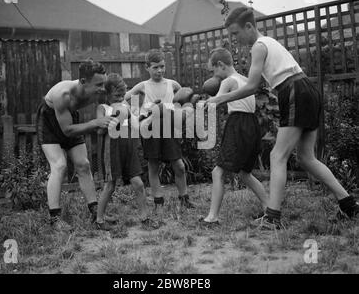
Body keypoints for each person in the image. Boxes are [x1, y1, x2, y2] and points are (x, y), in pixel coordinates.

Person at [206, 7, 359, 229]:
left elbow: (252, 86)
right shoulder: (269, 42)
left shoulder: (258, 46)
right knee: (307, 158)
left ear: (249, 26)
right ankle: (349, 205)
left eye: (236, 33)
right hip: (307, 89)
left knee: (277, 155)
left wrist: (220, 99)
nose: (234, 39)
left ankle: (272, 218)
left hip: (294, 90)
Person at [36, 60, 118, 231]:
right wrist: (95, 122)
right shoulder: (63, 94)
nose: (102, 88)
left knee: (83, 164)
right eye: (99, 84)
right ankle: (55, 219)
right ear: (82, 82)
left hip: (69, 116)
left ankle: (95, 212)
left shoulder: (96, 89)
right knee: (59, 165)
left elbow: (119, 96)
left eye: (103, 83)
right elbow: (67, 130)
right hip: (49, 120)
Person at [201, 48, 268, 226]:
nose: (214, 76)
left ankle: (212, 217)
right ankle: (270, 210)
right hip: (252, 125)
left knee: (218, 171)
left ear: (220, 65)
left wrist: (196, 102)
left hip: (237, 125)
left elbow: (215, 103)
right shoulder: (246, 80)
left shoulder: (229, 81)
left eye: (214, 71)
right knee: (246, 173)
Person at [124, 49, 195, 211]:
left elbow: (185, 99)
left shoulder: (172, 84)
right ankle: (158, 203)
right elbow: (123, 98)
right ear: (147, 68)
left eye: (162, 66)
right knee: (153, 165)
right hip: (150, 128)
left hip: (170, 128)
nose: (160, 70)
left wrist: (185, 111)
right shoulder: (143, 86)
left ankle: (184, 199)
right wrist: (137, 114)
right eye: (155, 67)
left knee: (179, 165)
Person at [95, 73, 160, 231]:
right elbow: (98, 131)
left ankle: (145, 217)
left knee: (138, 183)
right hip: (112, 151)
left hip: (129, 150)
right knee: (110, 186)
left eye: (122, 94)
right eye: (116, 94)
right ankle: (99, 219)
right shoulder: (103, 108)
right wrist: (114, 120)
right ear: (107, 94)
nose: (119, 97)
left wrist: (148, 113)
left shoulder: (126, 107)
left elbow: (137, 126)